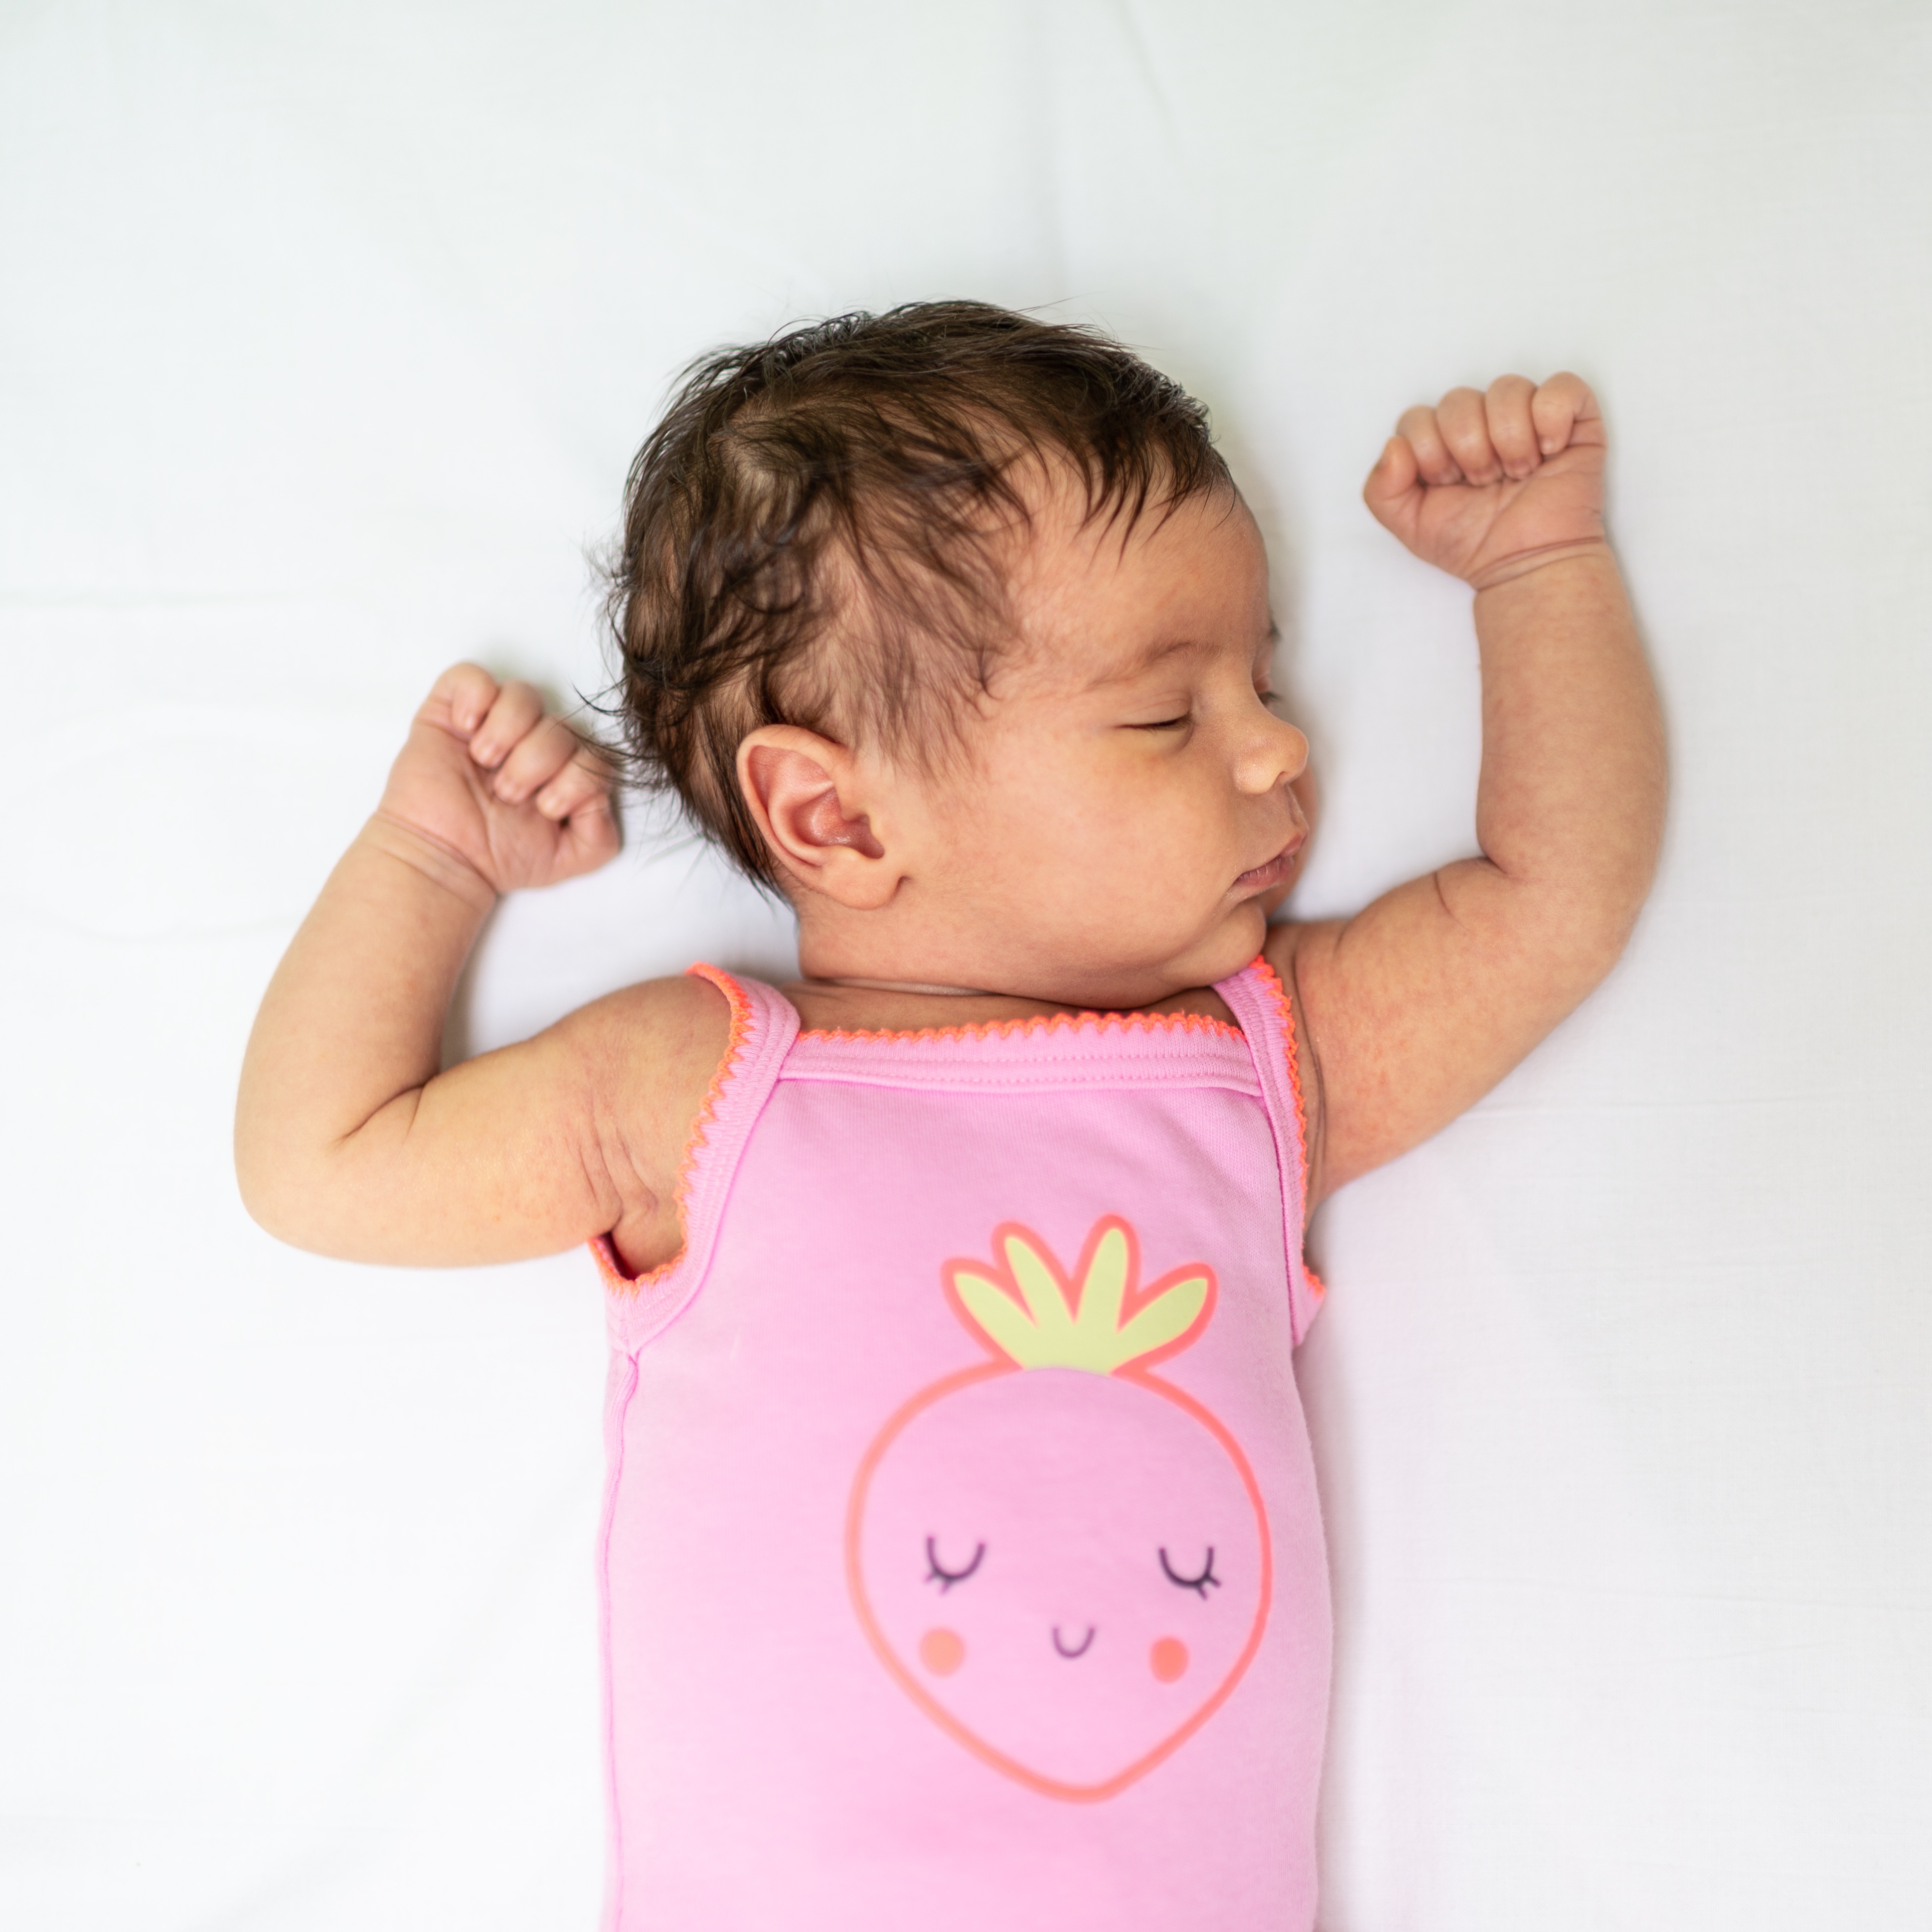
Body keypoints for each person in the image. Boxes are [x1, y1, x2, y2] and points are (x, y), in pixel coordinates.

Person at [235, 302, 1664, 1929]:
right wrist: (431, 862)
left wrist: (1538, 571)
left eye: (1261, 677)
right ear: (835, 816)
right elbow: (322, 1163)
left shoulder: (1257, 1063)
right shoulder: (700, 1086)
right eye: (1166, 713)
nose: (1280, 746)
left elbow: (1549, 901)